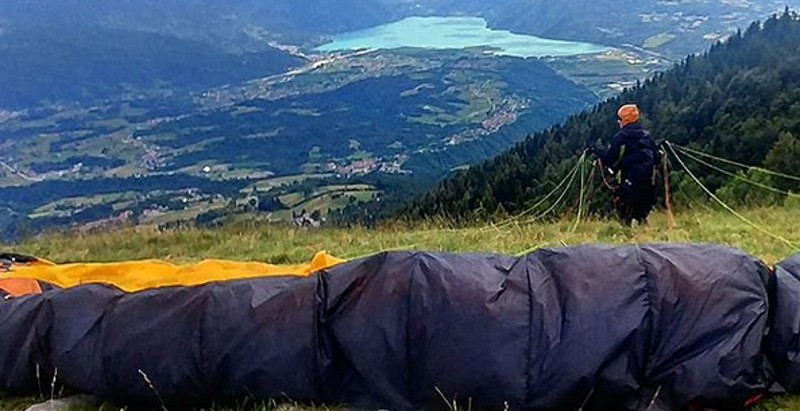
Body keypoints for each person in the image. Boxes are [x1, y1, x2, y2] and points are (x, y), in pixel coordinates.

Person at [589, 104, 660, 225]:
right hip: (648, 184)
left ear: (625, 120)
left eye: (620, 119)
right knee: (641, 214)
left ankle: (626, 233)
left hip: (629, 183)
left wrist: (596, 150)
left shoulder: (621, 137)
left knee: (624, 208)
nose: (618, 122)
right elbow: (657, 158)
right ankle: (644, 234)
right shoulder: (646, 135)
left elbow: (610, 159)